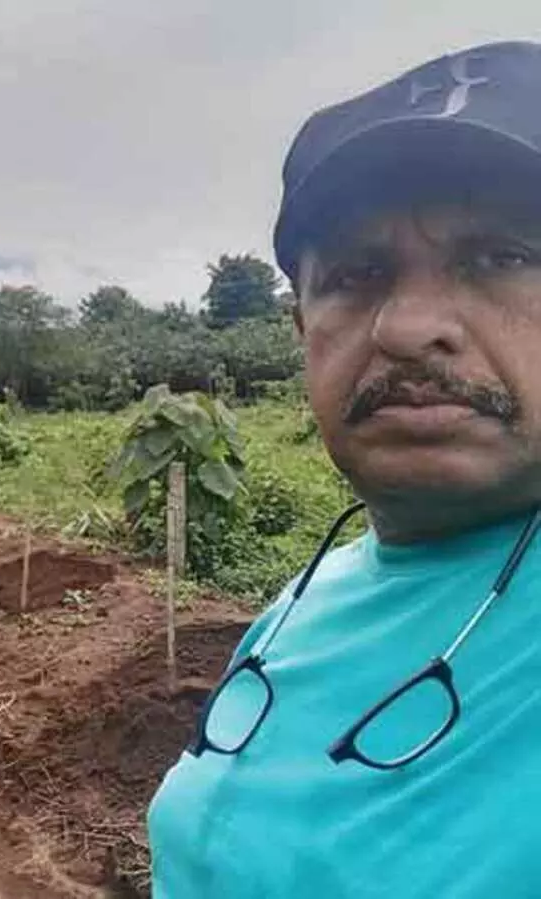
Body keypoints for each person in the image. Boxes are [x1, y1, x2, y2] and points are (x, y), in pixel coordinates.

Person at [149, 41, 541, 896]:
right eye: (358, 275)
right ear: (303, 335)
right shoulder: (304, 600)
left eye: (500, 256)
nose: (405, 327)